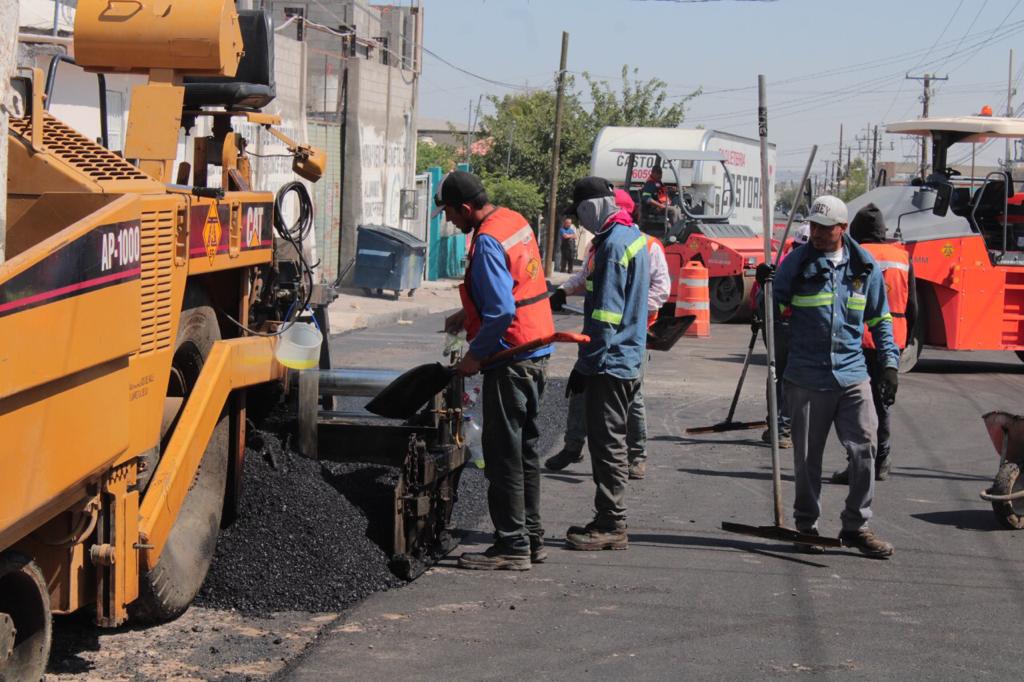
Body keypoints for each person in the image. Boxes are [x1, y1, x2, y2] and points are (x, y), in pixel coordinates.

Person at [765, 195, 900, 559]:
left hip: (852, 373)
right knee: (808, 459)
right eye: (814, 227)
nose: (818, 235)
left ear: (842, 229)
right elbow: (770, 310)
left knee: (864, 449)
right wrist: (762, 289)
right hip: (807, 376)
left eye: (826, 229)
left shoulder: (864, 267)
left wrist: (889, 364)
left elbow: (880, 319)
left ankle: (856, 526)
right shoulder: (796, 263)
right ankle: (806, 526)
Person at [434, 171, 555, 571]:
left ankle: (512, 546)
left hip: (510, 356)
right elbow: (515, 288)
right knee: (526, 451)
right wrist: (464, 314)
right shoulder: (513, 221)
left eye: (450, 213)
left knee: (503, 455)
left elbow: (502, 310)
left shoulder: (485, 241)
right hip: (537, 350)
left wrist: (476, 356)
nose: (450, 221)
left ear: (465, 208)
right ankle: (531, 538)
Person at [547, 189, 670, 480]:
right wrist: (564, 291)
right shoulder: (599, 244)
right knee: (580, 391)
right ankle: (573, 446)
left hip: (630, 336)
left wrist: (632, 313)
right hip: (598, 335)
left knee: (631, 400)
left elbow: (660, 292)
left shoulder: (645, 245)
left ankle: (636, 456)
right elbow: (586, 276)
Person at [561, 177, 650, 551]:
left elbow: (606, 318)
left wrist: (585, 366)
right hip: (627, 358)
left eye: (579, 214)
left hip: (609, 364)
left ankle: (611, 523)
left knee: (607, 444)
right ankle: (607, 518)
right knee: (610, 441)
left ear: (589, 207)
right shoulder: (633, 238)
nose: (580, 223)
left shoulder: (613, 246)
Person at [831, 203, 916, 484]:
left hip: (860, 337)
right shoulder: (902, 257)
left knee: (853, 404)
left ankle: (857, 462)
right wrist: (905, 338)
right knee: (882, 402)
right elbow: (913, 305)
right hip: (893, 339)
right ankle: (882, 460)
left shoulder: (855, 255)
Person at [753, 222, 810, 449]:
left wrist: (759, 311)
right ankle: (786, 427)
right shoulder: (814, 263)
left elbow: (764, 296)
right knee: (794, 378)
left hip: (782, 326)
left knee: (778, 374)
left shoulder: (786, 262)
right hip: (797, 328)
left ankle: (780, 427)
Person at [640, 165, 682, 231]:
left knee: (678, 208)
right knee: (673, 211)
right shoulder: (650, 184)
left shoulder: (658, 182)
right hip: (654, 208)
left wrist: (671, 190)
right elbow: (646, 198)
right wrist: (660, 206)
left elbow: (661, 191)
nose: (660, 175)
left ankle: (679, 229)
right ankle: (675, 232)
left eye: (661, 173)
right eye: (658, 173)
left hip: (663, 205)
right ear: (653, 173)